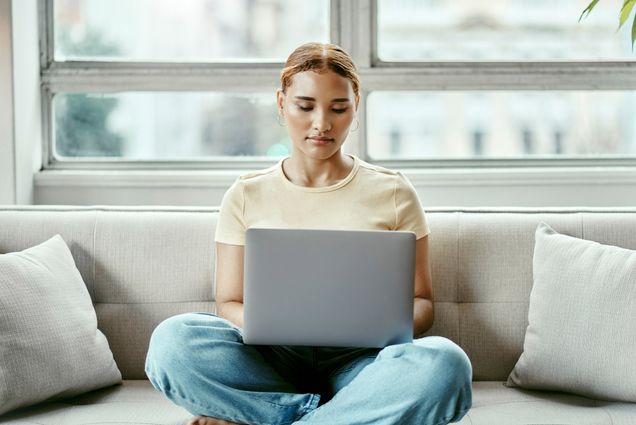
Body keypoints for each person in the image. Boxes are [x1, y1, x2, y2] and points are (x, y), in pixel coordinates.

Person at [145, 42, 472, 425]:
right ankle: (334, 416)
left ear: (356, 107)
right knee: (173, 341)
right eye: (305, 106)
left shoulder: (395, 192)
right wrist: (280, 323)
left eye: (338, 108)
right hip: (269, 359)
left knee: (445, 364)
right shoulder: (246, 193)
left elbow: (422, 303)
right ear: (281, 104)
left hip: (363, 364)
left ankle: (268, 418)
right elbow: (229, 302)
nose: (322, 123)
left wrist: (373, 327)